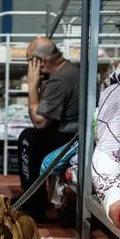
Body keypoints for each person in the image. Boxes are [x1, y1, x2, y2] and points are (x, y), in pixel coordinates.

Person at [17, 37, 79, 220]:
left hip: (73, 138)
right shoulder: (69, 70)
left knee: (29, 137)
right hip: (73, 133)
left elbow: (39, 121)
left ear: (41, 61)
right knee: (37, 137)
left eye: (30, 61)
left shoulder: (59, 80)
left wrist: (32, 86)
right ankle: (36, 198)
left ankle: (33, 205)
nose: (29, 67)